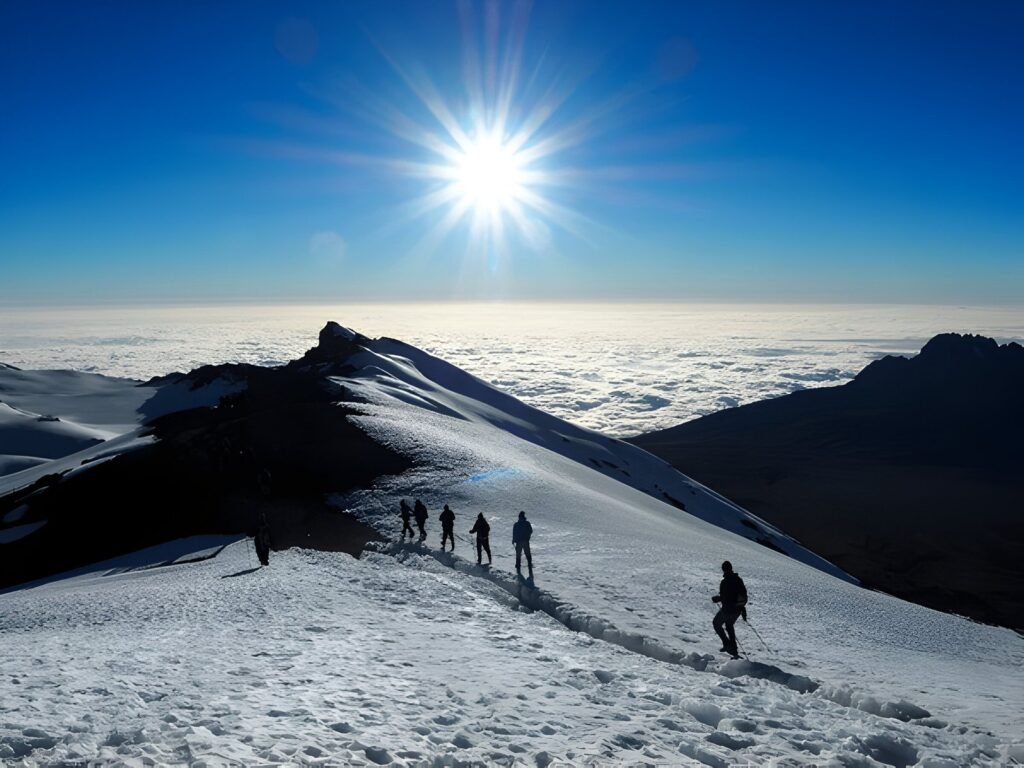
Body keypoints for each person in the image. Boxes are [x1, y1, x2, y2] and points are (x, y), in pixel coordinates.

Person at [711, 560, 747, 658]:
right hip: (738, 609)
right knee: (729, 625)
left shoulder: (725, 581)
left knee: (716, 624)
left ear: (723, 569)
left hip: (728, 609)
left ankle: (727, 644)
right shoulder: (738, 579)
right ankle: (733, 648)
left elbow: (725, 597)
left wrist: (717, 599)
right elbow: (743, 594)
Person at [512, 510, 533, 574]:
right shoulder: (527, 523)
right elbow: (530, 531)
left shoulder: (516, 524)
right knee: (527, 553)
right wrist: (528, 537)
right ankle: (529, 564)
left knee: (518, 554)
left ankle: (518, 565)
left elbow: (514, 533)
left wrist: (514, 540)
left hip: (519, 541)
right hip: (525, 541)